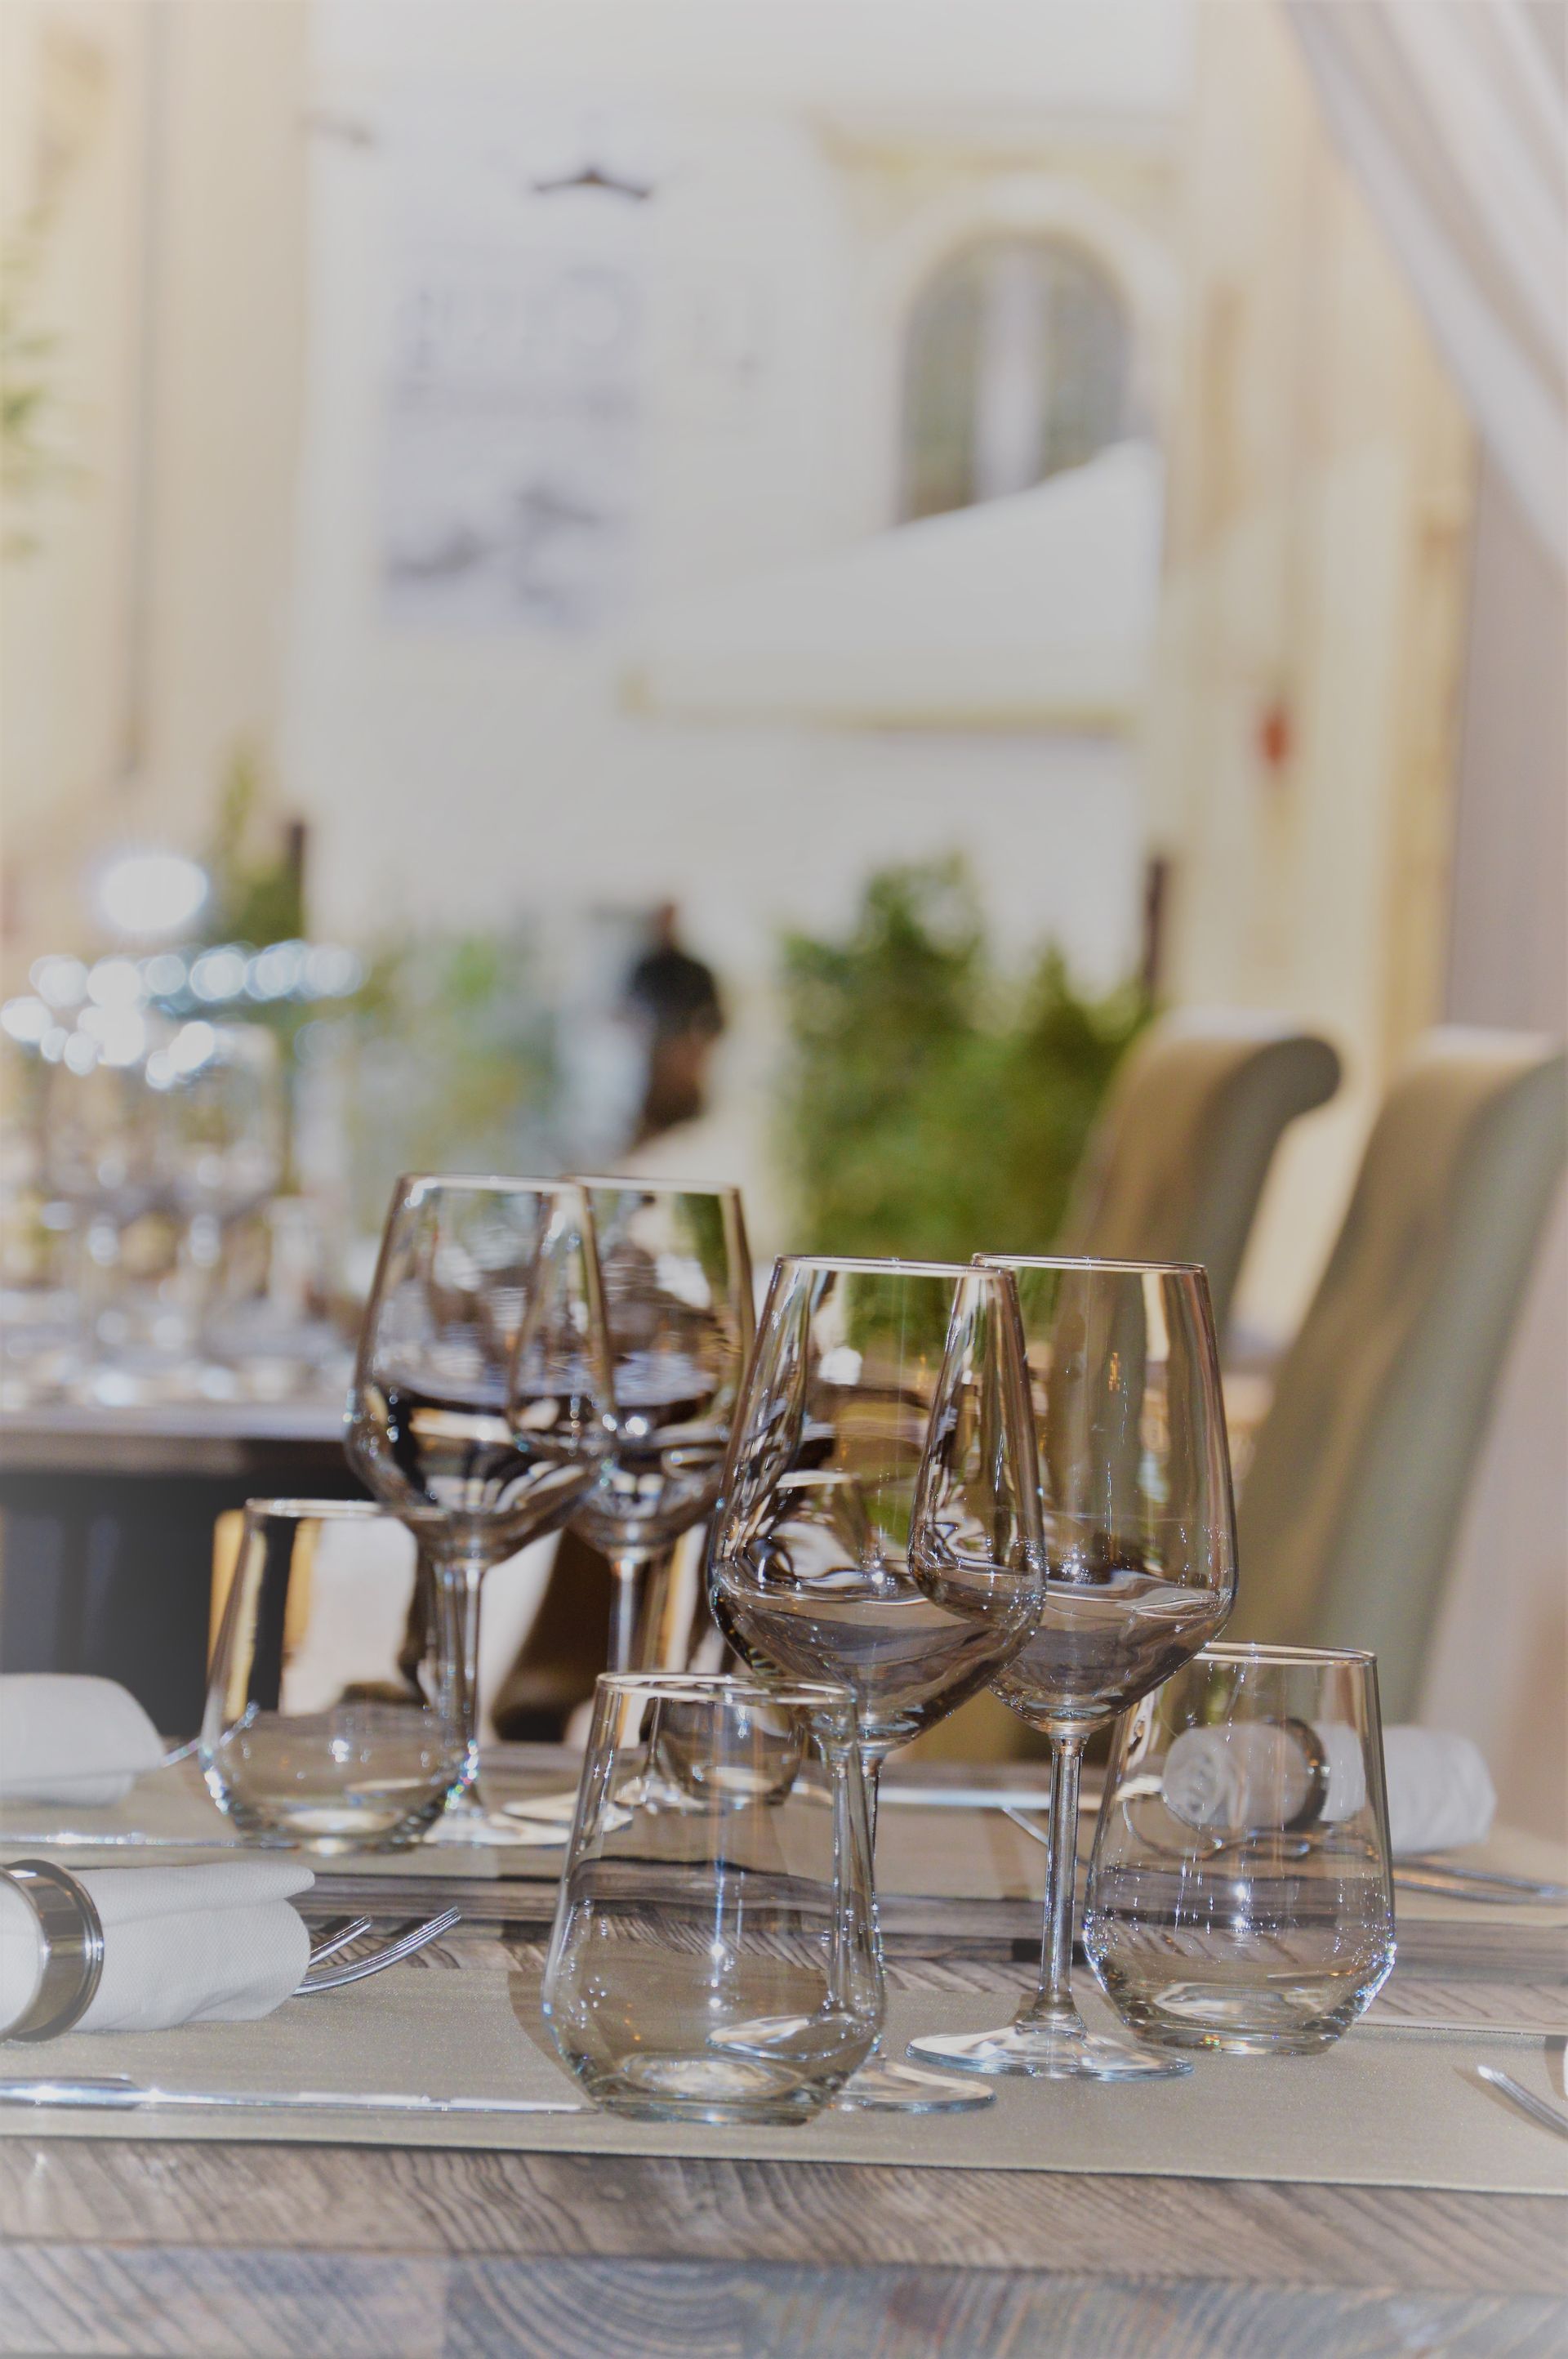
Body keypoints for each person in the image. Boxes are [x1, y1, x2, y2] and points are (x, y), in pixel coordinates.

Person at [623, 903, 724, 1144]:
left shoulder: (697, 973)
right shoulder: (644, 971)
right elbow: (628, 1014)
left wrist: (690, 1048)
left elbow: (717, 1020)